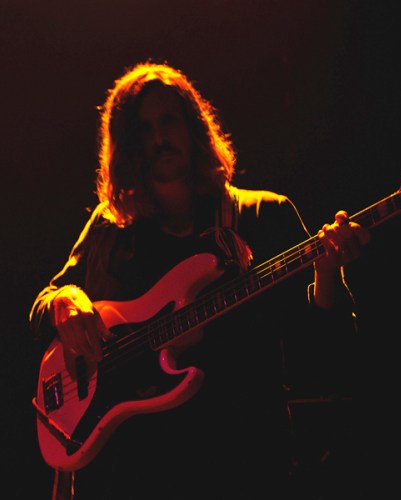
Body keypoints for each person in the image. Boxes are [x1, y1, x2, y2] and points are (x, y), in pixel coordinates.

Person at [29, 61, 370, 500]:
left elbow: (324, 352)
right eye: (144, 128)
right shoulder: (111, 230)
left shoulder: (262, 216)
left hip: (241, 463)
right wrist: (65, 300)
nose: (159, 138)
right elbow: (44, 304)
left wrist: (327, 272)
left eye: (168, 120)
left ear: (194, 126)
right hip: (132, 474)